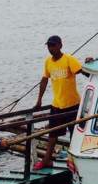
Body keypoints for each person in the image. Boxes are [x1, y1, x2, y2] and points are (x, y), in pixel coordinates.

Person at [34, 35, 87, 170]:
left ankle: (76, 161)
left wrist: (90, 65)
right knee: (52, 135)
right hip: (57, 104)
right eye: (49, 46)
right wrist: (39, 99)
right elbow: (45, 80)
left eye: (53, 45)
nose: (51, 49)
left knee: (74, 134)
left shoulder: (69, 59)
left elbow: (83, 72)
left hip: (72, 104)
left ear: (60, 45)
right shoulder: (48, 62)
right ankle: (46, 160)